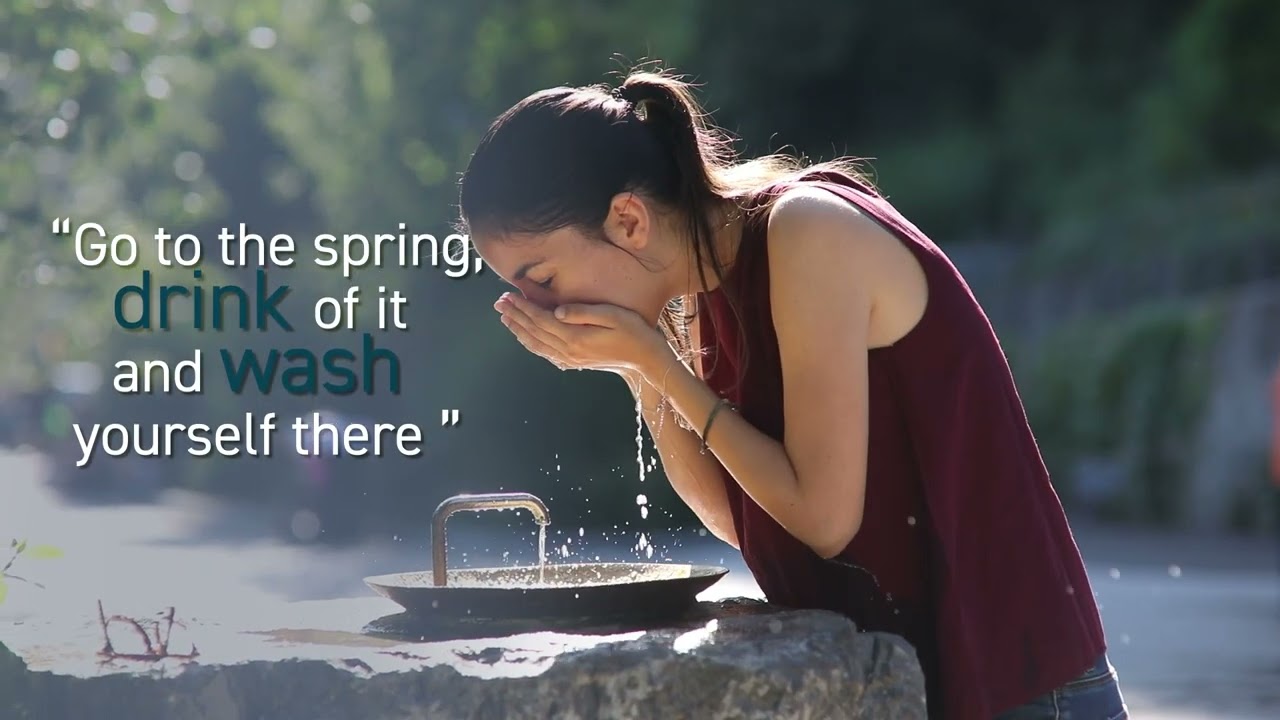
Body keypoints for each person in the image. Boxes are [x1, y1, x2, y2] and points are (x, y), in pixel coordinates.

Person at [457, 68, 1127, 719]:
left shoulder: (806, 232)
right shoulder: (689, 296)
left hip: (1020, 685)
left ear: (629, 220)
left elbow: (821, 516)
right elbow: (738, 516)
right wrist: (637, 367)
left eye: (539, 276)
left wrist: (661, 369)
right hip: (919, 683)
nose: (534, 306)